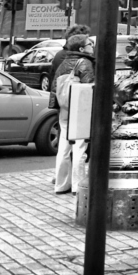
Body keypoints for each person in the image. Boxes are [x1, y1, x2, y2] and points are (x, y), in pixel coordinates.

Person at [53, 33, 96, 194]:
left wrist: (57, 106)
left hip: (64, 109)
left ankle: (61, 184)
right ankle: (78, 185)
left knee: (63, 148)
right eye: (89, 44)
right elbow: (90, 87)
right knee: (80, 148)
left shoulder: (64, 62)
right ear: (81, 48)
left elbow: (54, 88)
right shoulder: (84, 62)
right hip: (80, 109)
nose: (92, 46)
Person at [47, 24, 89, 95]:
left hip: (61, 98)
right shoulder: (78, 59)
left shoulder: (59, 55)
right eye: (86, 39)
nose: (89, 41)